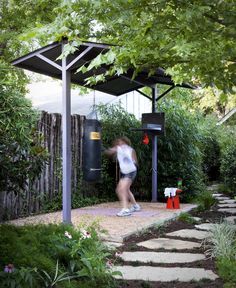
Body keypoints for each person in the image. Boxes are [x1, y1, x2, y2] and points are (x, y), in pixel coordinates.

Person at [105, 136, 141, 217]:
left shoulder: (120, 148)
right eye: (118, 142)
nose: (119, 143)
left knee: (121, 189)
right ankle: (135, 206)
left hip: (129, 172)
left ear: (124, 142)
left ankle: (125, 209)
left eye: (120, 141)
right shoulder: (130, 149)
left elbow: (110, 152)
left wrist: (106, 150)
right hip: (127, 171)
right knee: (125, 189)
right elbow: (135, 161)